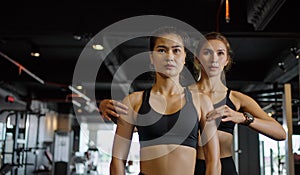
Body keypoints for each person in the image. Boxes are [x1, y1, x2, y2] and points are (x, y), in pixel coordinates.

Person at [103, 31, 286, 174]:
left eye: (220, 53)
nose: (214, 58)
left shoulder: (236, 98)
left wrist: (244, 118)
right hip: (190, 166)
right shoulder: (185, 95)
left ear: (227, 59)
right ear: (196, 59)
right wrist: (105, 107)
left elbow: (280, 133)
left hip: (223, 164)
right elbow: (151, 125)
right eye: (207, 52)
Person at [109, 27, 221, 175]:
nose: (169, 57)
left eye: (176, 50)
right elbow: (117, 160)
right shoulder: (134, 101)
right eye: (162, 50)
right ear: (151, 57)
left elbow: (213, 160)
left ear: (184, 56)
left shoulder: (201, 102)